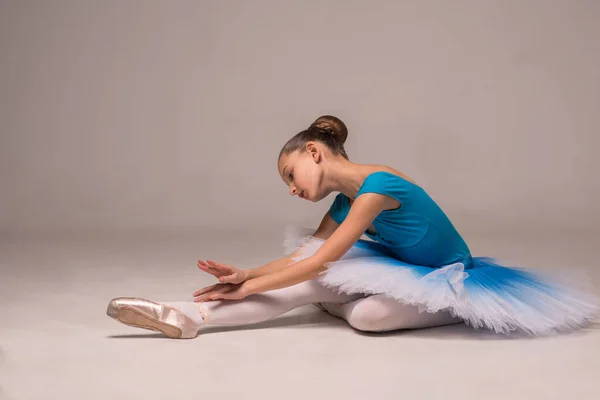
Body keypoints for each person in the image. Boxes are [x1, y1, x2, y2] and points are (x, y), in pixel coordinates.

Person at [107, 115, 598, 339]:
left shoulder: (379, 187)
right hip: (403, 268)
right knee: (315, 280)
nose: (292, 189)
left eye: (291, 175)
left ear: (314, 153)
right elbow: (308, 256)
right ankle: (186, 315)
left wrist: (259, 286)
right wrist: (245, 276)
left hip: (449, 277)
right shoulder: (344, 203)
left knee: (365, 317)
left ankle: (456, 310)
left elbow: (321, 261)